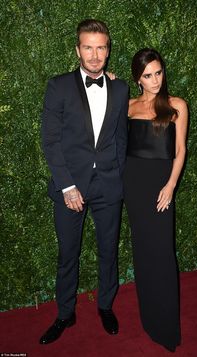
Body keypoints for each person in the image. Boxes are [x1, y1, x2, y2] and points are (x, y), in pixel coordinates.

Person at [40, 19, 129, 344]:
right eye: (88, 47)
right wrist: (67, 186)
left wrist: (119, 178)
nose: (94, 55)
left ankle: (105, 305)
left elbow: (121, 138)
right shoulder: (58, 85)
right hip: (70, 189)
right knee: (68, 254)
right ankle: (65, 313)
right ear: (78, 49)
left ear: (108, 50)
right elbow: (50, 140)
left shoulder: (120, 88)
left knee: (109, 252)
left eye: (101, 47)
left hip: (109, 187)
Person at [123, 48, 188, 352]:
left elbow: (180, 150)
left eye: (159, 72)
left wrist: (171, 185)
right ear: (138, 78)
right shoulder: (128, 106)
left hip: (161, 186)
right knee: (143, 251)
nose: (155, 80)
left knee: (162, 252)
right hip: (134, 184)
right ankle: (149, 318)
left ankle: (166, 327)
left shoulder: (176, 105)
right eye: (147, 75)